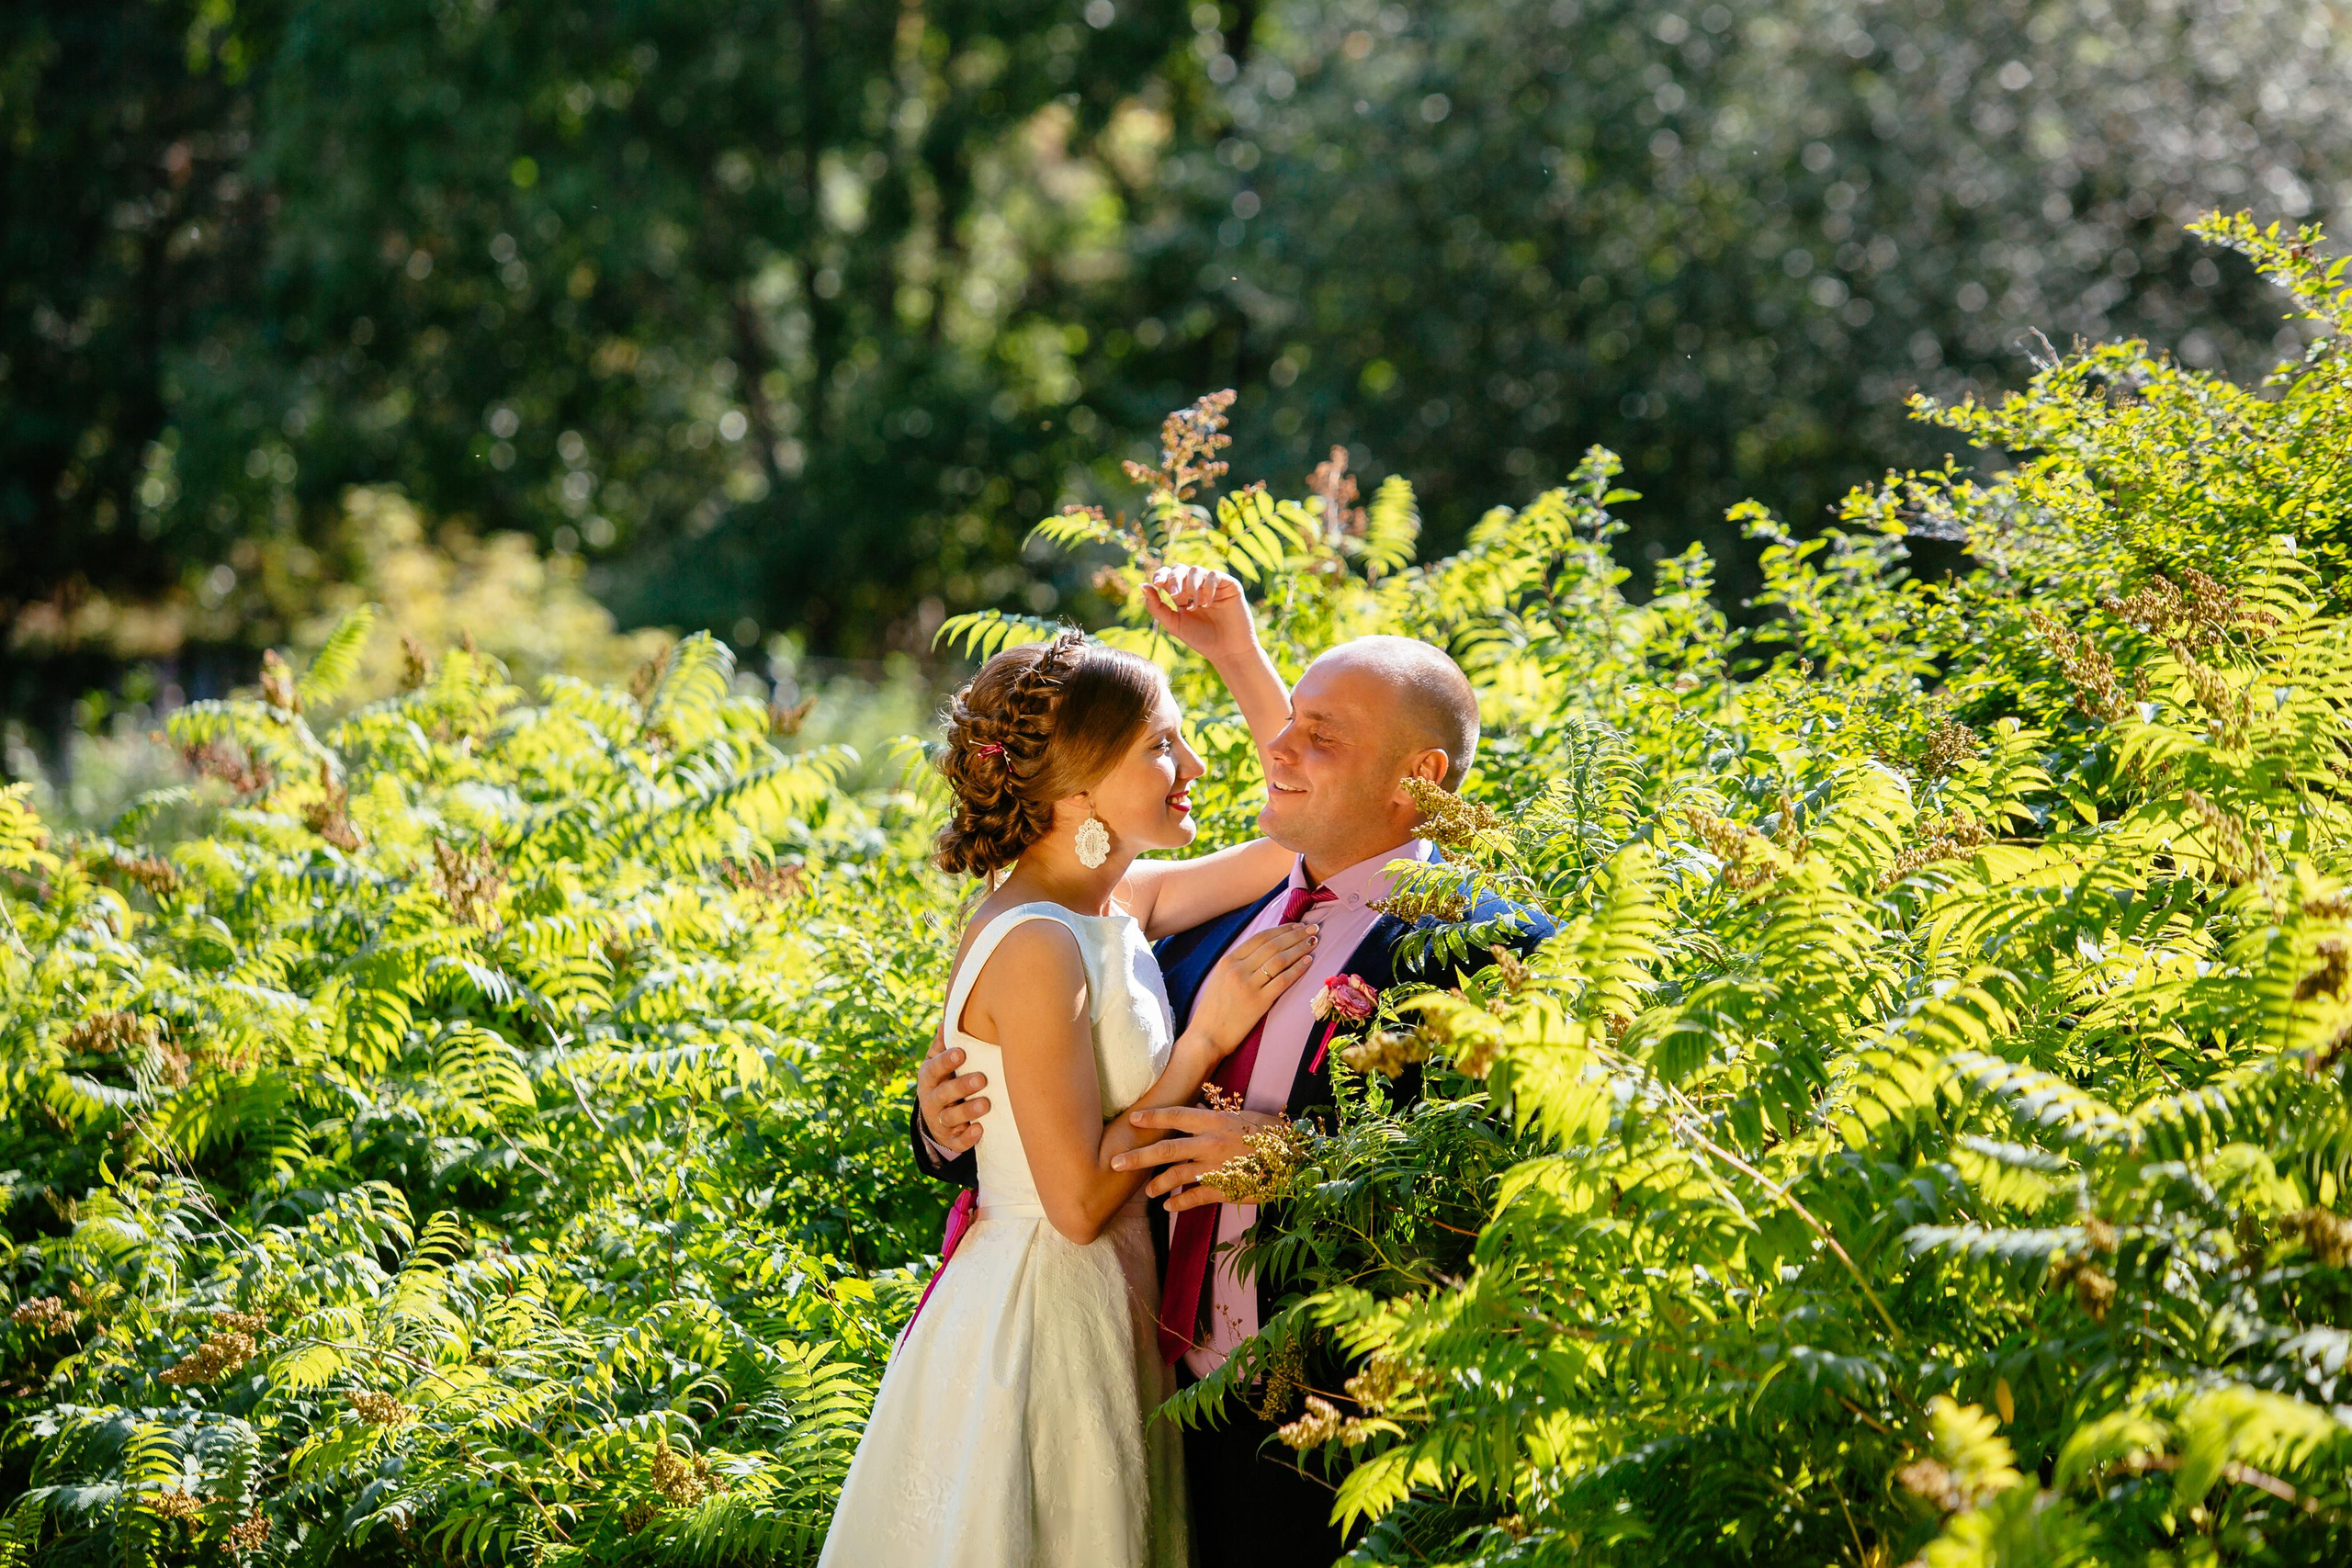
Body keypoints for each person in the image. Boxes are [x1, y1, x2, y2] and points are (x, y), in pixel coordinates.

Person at [914, 570, 1555, 1566]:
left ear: (1420, 775)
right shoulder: (1177, 916)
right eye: (1285, 723)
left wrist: (1311, 1165)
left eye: (1320, 734)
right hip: (1160, 1392)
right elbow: (1045, 1119)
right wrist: (943, 1119)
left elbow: (1514, 1200)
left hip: (1343, 1421)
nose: (1272, 753)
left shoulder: (1490, 952)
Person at [820, 605, 1317, 1568]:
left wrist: (1239, 655)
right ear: (1082, 787)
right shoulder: (1041, 943)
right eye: (1162, 746)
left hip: (1109, 1303)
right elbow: (1079, 1203)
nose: (1195, 767)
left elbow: (1302, 834)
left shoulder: (1115, 903)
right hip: (1046, 1313)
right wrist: (1204, 1037)